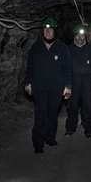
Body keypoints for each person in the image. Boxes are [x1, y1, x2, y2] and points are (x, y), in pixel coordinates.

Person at [24, 17, 72, 154]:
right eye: (45, 29)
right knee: (40, 114)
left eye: (50, 29)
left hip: (56, 87)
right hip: (39, 87)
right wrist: (28, 82)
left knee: (52, 113)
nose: (47, 31)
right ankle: (38, 142)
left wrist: (68, 86)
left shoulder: (61, 48)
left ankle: (50, 137)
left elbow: (67, 68)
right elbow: (30, 67)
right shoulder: (36, 47)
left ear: (54, 31)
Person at [66, 24, 91, 139]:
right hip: (74, 80)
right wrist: (66, 84)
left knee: (89, 105)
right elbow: (64, 66)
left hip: (88, 80)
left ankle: (89, 129)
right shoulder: (69, 49)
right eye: (77, 36)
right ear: (74, 37)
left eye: (82, 36)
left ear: (85, 36)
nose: (80, 38)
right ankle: (70, 128)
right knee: (72, 105)